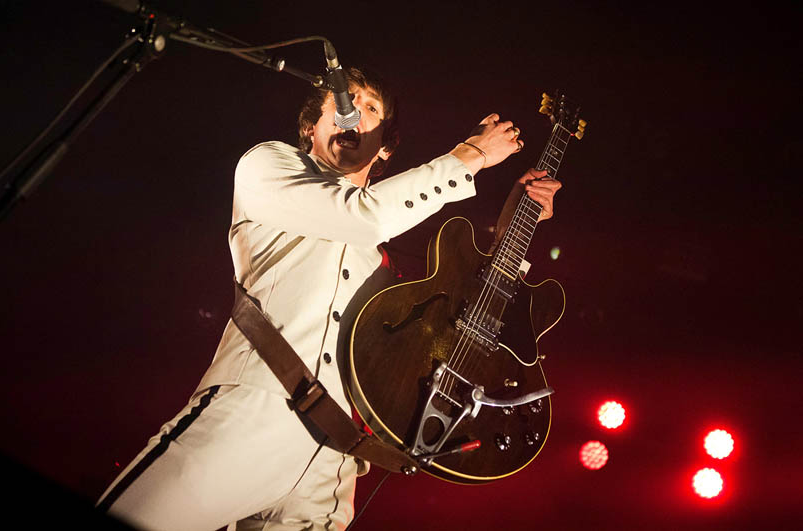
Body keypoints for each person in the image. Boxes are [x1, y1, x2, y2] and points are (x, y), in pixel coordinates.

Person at [97, 68, 562, 530]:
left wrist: (512, 233)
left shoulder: (381, 264)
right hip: (252, 418)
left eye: (371, 108)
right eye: (344, 102)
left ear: (384, 148)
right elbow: (362, 215)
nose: (354, 110)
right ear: (310, 128)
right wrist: (469, 156)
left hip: (334, 468)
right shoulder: (269, 166)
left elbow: (452, 327)